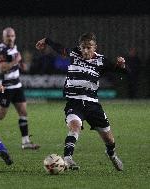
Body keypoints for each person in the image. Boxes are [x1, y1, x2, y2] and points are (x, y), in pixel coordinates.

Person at [36, 32, 127, 171]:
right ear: (79, 47)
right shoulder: (74, 53)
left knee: (109, 139)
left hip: (93, 104)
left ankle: (111, 154)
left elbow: (123, 73)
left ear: (95, 47)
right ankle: (67, 158)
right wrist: (46, 40)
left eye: (89, 47)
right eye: (83, 47)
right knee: (75, 127)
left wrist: (122, 66)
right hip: (74, 102)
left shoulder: (102, 61)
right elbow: (59, 48)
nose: (85, 50)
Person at [0, 27, 40, 150]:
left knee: (23, 112)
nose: (10, 38)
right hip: (6, 87)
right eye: (8, 36)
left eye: (12, 36)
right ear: (3, 37)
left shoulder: (13, 47)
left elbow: (15, 61)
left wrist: (21, 64)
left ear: (15, 36)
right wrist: (16, 61)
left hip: (17, 86)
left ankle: (25, 142)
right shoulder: (2, 49)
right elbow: (2, 68)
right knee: (0, 115)